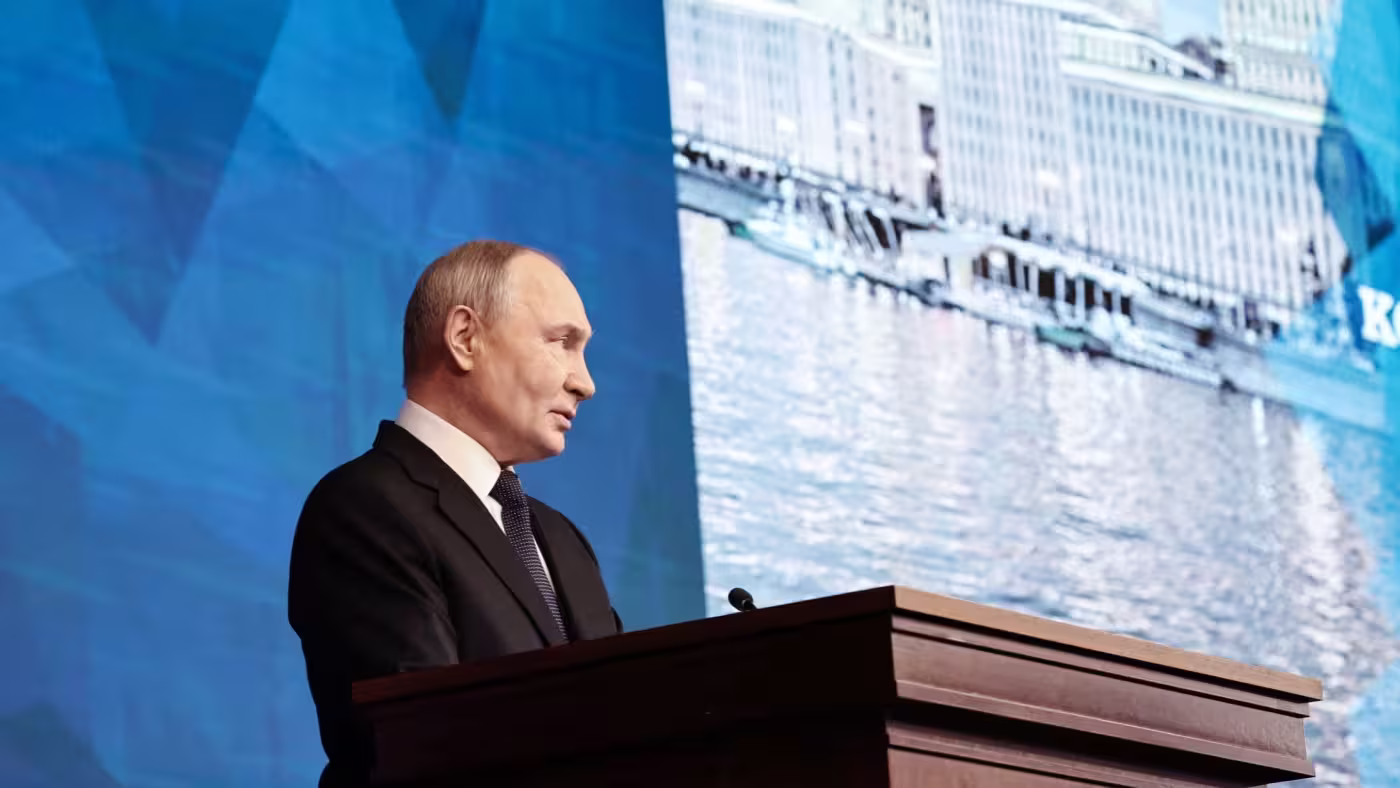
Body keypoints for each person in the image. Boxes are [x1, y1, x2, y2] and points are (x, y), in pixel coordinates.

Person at [288, 240, 622, 787]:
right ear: (465, 338)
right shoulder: (364, 508)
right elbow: (428, 742)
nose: (585, 383)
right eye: (562, 342)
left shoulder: (564, 541)